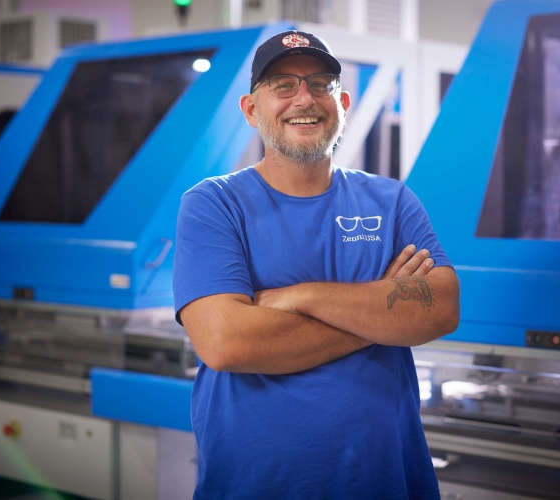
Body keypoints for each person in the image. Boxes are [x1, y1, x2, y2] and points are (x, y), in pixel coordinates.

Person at [172, 29, 460, 499]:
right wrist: (381, 313)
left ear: (342, 101)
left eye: (320, 84)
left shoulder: (391, 201)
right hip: (258, 482)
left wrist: (298, 298)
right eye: (282, 85)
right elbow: (226, 343)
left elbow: (441, 308)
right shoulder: (215, 204)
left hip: (383, 478)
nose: (304, 98)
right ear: (251, 109)